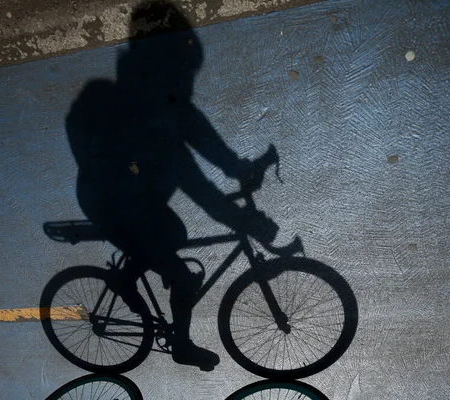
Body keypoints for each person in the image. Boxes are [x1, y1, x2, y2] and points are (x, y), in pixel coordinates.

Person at [65, 1, 278, 371]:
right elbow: (201, 190)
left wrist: (241, 176)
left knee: (173, 235)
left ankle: (129, 275)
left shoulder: (160, 111)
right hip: (112, 204)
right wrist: (245, 219)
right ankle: (181, 346)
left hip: (133, 200)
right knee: (179, 272)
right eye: (184, 74)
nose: (188, 84)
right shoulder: (155, 125)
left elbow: (203, 167)